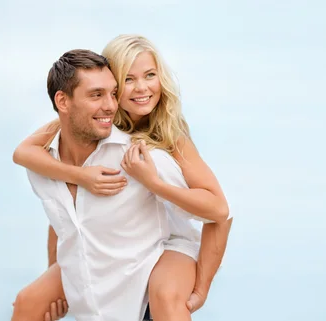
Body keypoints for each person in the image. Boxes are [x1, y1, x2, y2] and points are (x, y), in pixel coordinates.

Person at [12, 36, 233, 321]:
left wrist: (201, 289)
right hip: (120, 241)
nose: (141, 88)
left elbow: (221, 213)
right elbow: (62, 207)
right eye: (128, 80)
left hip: (172, 242)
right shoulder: (89, 123)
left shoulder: (165, 140)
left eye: (150, 75)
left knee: (165, 295)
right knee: (27, 302)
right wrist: (80, 177)